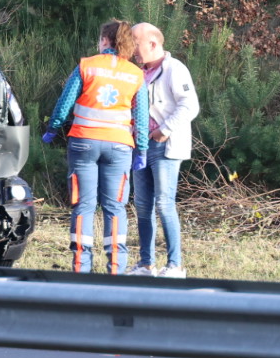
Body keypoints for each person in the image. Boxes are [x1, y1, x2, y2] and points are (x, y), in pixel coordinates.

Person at [42, 19, 148, 274]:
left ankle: (81, 268)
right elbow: (141, 117)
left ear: (104, 41)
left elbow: (65, 102)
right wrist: (141, 149)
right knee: (115, 207)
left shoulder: (86, 66)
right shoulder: (136, 75)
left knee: (84, 206)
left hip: (84, 143)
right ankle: (116, 270)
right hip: (120, 147)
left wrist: (53, 128)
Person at [129, 22, 199, 278]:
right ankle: (146, 265)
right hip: (140, 147)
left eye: (135, 43)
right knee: (143, 205)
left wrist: (164, 130)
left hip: (165, 147)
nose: (133, 50)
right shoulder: (139, 73)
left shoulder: (174, 69)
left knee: (164, 204)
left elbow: (190, 106)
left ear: (152, 43)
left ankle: (175, 266)